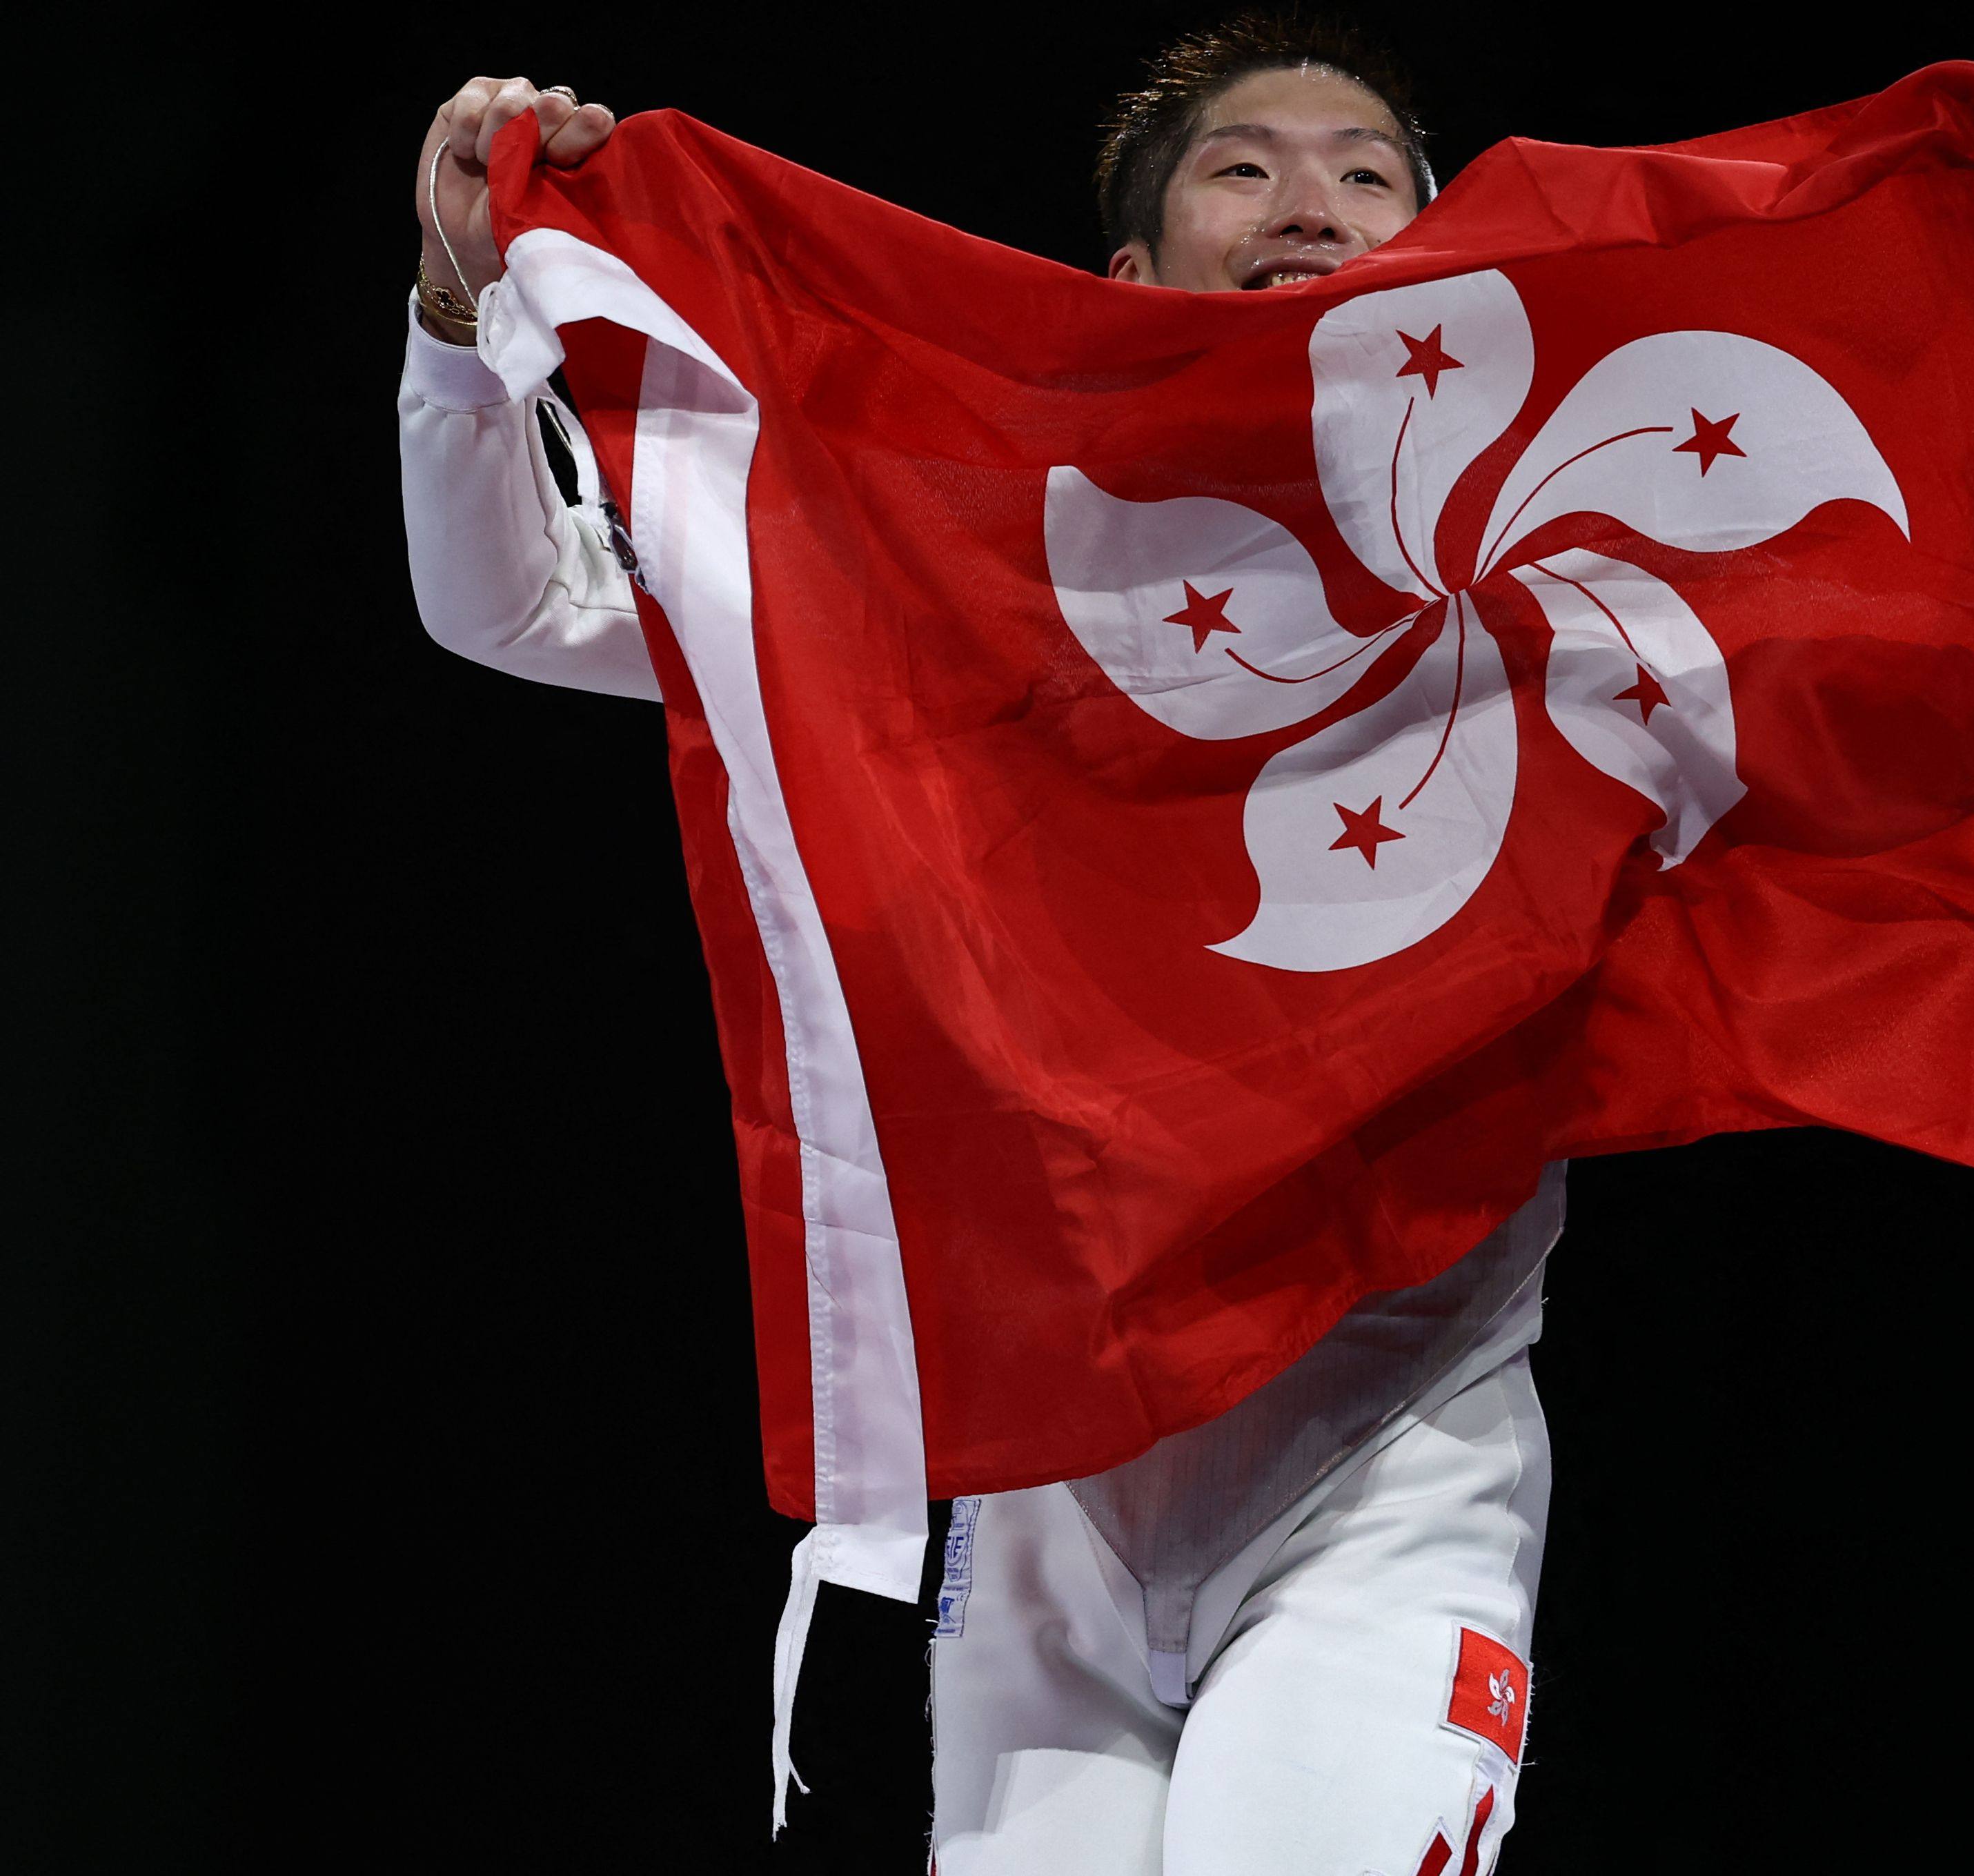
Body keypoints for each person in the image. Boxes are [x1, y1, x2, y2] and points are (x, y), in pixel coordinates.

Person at [398, 20, 1557, 1875]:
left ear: (1439, 258)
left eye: (1368, 170)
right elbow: (518, 602)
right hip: (1048, 1495)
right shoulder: (983, 556)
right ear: (1127, 276)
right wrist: (463, 316)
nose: (1311, 199)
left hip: (1386, 1471)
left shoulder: (1574, 577)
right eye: (1241, 167)